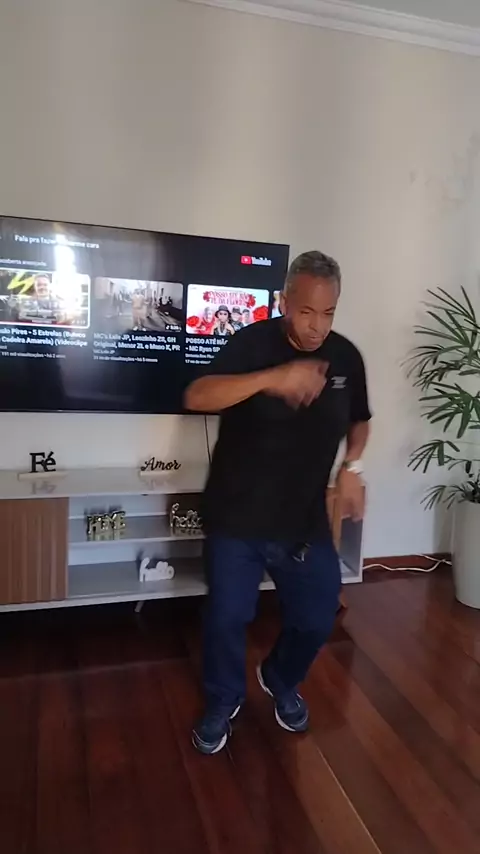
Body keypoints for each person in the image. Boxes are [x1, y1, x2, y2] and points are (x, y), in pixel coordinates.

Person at [184, 250, 371, 755]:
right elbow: (197, 396)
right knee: (227, 617)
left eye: (328, 313)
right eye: (306, 311)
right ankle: (223, 699)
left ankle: (280, 677)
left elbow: (360, 419)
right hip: (237, 516)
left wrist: (352, 467)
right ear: (285, 301)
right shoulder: (251, 343)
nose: (317, 326)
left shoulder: (346, 357)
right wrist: (273, 378)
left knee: (317, 614)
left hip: (301, 520)